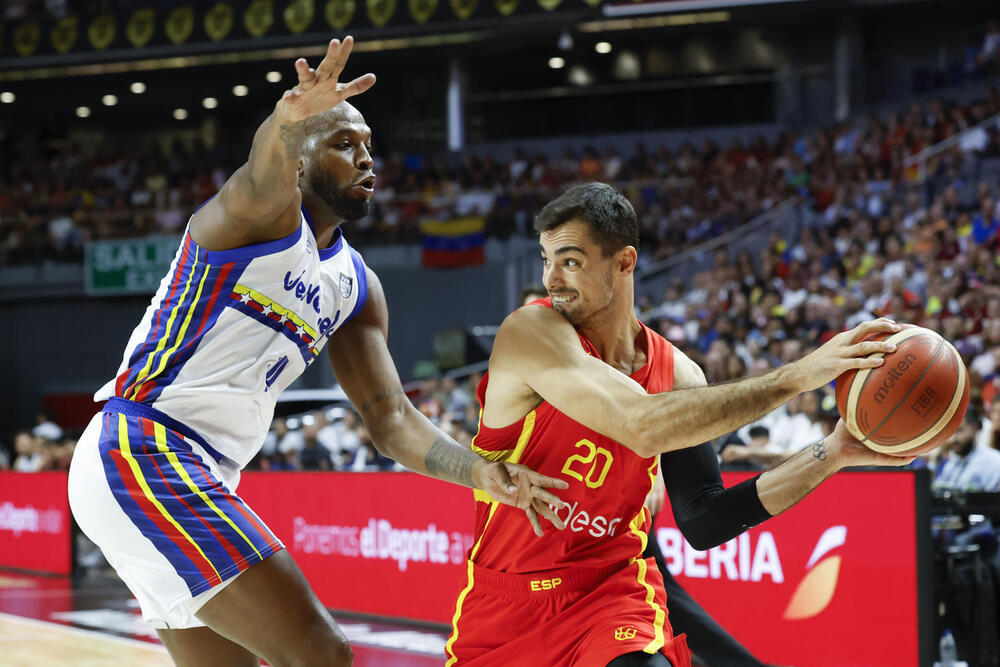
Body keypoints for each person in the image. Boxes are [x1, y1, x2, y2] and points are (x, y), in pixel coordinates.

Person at [67, 37, 566, 667]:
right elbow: (259, 174)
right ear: (298, 161)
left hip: (201, 470)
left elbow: (391, 421)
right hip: (143, 450)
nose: (366, 161)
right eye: (343, 144)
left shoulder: (357, 285)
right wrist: (287, 119)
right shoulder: (251, 221)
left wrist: (479, 473)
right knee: (323, 654)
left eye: (368, 148)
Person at [445, 182, 910, 667]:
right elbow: (641, 424)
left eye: (571, 261)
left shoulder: (680, 375)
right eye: (546, 260)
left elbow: (704, 519)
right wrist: (799, 376)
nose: (552, 280)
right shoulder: (529, 331)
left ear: (625, 262)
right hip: (506, 602)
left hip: (609, 594)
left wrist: (831, 453)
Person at [934, 405, 1000, 493]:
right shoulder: (951, 465)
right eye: (950, 433)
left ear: (976, 428)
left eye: (959, 431)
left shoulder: (994, 462)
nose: (952, 439)